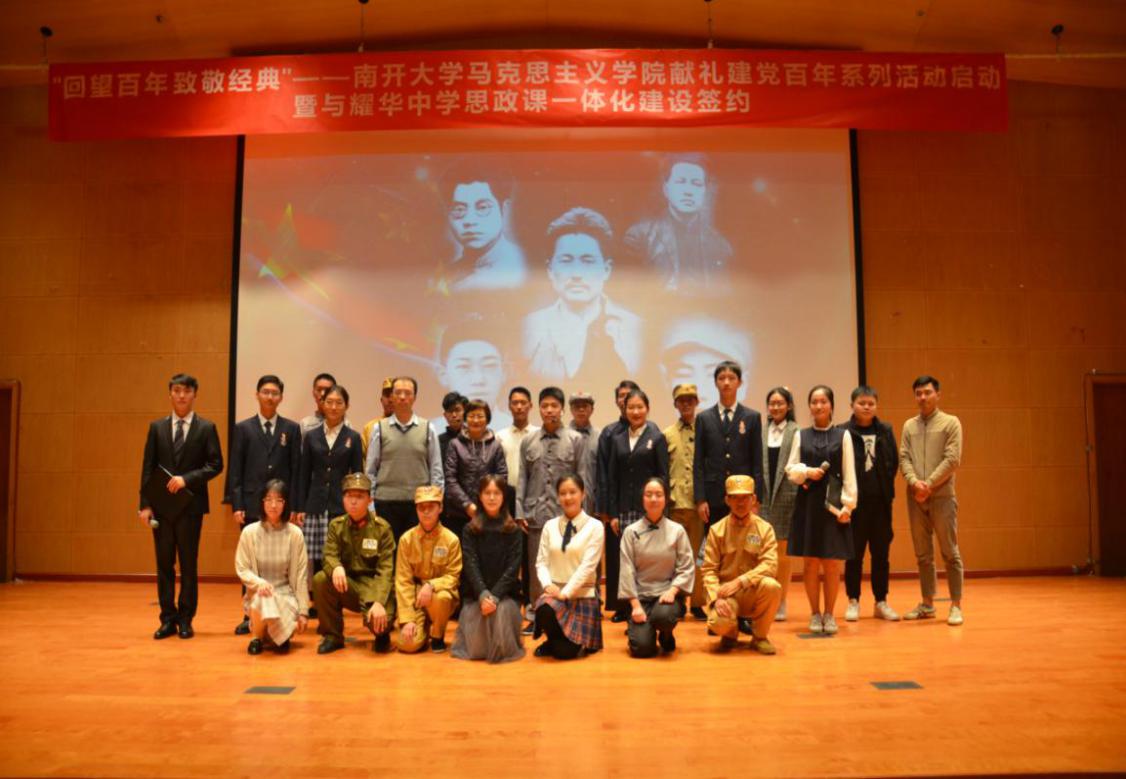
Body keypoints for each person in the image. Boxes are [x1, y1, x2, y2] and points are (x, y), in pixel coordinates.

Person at [139, 373, 224, 640]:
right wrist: (145, 505)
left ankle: (186, 619)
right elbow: (147, 468)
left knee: (188, 564)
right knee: (164, 564)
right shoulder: (156, 428)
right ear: (170, 394)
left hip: (190, 507)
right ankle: (167, 619)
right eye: (177, 390)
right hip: (162, 508)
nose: (181, 395)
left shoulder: (206, 428)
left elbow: (216, 465)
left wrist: (186, 479)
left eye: (186, 391)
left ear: (194, 394)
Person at [522, 207, 642, 383]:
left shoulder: (636, 328)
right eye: (566, 261)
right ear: (550, 270)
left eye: (588, 261)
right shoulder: (529, 328)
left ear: (606, 270)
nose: (577, 274)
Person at [226, 374, 302, 634]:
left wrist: (294, 506)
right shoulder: (243, 428)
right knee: (252, 562)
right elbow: (235, 469)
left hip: (281, 506)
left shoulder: (291, 429)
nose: (270, 397)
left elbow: (296, 470)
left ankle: (284, 609)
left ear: (281, 397)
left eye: (275, 393)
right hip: (251, 504)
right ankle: (249, 615)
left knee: (282, 562)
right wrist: (237, 504)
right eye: (265, 392)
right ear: (257, 395)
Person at [784, 385, 858, 635]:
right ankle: (814, 613)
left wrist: (848, 506)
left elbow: (849, 472)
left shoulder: (843, 435)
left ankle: (830, 614)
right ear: (809, 406)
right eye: (814, 402)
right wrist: (807, 472)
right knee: (810, 564)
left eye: (823, 401)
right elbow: (790, 469)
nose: (818, 406)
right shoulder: (801, 435)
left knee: (832, 565)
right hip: (808, 506)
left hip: (833, 507)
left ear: (831, 405)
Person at [517, 387, 590, 630]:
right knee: (537, 567)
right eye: (545, 406)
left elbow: (583, 478)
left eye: (554, 406)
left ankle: (568, 613)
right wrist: (519, 512)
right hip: (536, 514)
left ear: (562, 409)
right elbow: (522, 478)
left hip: (566, 515)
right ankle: (537, 615)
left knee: (567, 564)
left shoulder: (575, 440)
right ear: (539, 409)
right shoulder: (528, 440)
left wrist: (583, 516)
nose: (549, 410)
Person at [900, 375, 965, 626]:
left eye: (927, 392)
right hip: (915, 496)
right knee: (923, 555)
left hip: (942, 496)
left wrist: (928, 484)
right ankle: (927, 604)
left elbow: (953, 459)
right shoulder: (909, 426)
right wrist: (914, 482)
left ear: (938, 394)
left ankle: (956, 605)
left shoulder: (951, 423)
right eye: (918, 393)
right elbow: (904, 458)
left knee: (950, 552)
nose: (923, 397)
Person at [605, 388, 670, 622]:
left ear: (647, 409)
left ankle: (648, 605)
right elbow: (612, 478)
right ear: (624, 409)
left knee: (646, 559)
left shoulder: (657, 437)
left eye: (639, 407)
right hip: (624, 509)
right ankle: (625, 607)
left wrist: (662, 510)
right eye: (631, 407)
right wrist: (613, 513)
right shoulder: (617, 439)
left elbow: (663, 475)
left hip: (649, 508)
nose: (635, 411)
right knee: (625, 560)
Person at [623, 154, 733, 291]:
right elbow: (633, 292)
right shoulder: (640, 237)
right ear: (666, 189)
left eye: (696, 184)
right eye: (680, 182)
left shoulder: (720, 246)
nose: (688, 191)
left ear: (704, 191)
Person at [313, 473, 396, 654]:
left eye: (359, 496)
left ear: (369, 500)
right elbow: (329, 554)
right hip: (348, 587)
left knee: (380, 625)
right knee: (321, 579)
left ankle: (382, 635)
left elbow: (386, 570)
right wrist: (336, 567)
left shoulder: (382, 528)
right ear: (343, 499)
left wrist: (379, 601)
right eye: (349, 496)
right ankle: (333, 636)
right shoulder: (336, 526)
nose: (353, 501)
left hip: (374, 587)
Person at [701, 475, 782, 654]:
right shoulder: (716, 530)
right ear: (727, 500)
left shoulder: (765, 529)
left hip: (752, 591)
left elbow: (770, 565)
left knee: (772, 586)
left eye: (745, 497)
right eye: (735, 497)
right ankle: (730, 634)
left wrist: (741, 581)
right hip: (726, 595)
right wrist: (716, 598)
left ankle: (760, 637)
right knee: (717, 622)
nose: (740, 502)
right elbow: (709, 570)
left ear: (753, 499)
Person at [294, 384, 364, 583]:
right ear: (322, 404)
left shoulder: (353, 437)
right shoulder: (311, 436)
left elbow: (357, 476)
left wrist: (358, 507)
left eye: (339, 403)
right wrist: (301, 507)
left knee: (341, 556)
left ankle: (338, 597)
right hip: (315, 504)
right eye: (330, 402)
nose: (334, 407)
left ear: (347, 406)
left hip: (341, 506)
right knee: (317, 559)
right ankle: (319, 595)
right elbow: (303, 474)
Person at [841, 385, 900, 623]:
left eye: (871, 404)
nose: (866, 407)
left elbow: (893, 462)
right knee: (853, 555)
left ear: (876, 406)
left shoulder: (885, 430)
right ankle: (853, 600)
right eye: (862, 403)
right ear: (852, 405)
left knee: (881, 555)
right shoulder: (843, 431)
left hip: (881, 505)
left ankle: (881, 601)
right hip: (855, 505)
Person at [452, 475, 526, 663]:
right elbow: (471, 564)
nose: (492, 497)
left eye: (497, 493)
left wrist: (494, 597)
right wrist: (483, 594)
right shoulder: (469, 530)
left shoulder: (514, 530)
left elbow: (513, 568)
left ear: (504, 496)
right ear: (480, 496)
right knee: (477, 650)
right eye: (487, 493)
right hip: (477, 594)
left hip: (505, 595)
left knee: (501, 623)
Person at [619, 477, 695, 657]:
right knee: (642, 650)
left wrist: (673, 591)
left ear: (666, 499)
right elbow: (626, 570)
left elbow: (686, 567)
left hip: (666, 596)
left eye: (659, 495)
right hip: (641, 597)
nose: (653, 499)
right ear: (642, 499)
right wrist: (635, 606)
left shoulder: (677, 530)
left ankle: (666, 634)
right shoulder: (631, 532)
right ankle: (646, 631)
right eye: (649, 494)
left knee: (663, 617)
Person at [533, 474, 605, 659]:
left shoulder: (595, 527)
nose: (568, 497)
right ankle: (554, 640)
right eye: (563, 493)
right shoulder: (549, 526)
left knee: (564, 653)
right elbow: (541, 562)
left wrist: (565, 593)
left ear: (583, 494)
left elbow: (588, 566)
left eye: (573, 492)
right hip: (555, 596)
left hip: (582, 597)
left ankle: (562, 643)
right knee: (544, 608)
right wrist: (548, 585)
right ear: (558, 497)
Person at [364, 376, 444, 543]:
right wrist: (370, 505)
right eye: (398, 392)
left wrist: (436, 501)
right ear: (391, 397)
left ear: (414, 397)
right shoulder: (379, 428)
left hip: (419, 504)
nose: (402, 397)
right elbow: (371, 470)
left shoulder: (428, 428)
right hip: (385, 503)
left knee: (417, 553)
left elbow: (436, 469)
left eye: (407, 393)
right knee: (388, 553)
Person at [234, 480, 309, 655]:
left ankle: (271, 635)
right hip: (259, 594)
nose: (273, 505)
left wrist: (303, 612)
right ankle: (258, 637)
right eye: (268, 499)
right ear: (262, 502)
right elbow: (242, 568)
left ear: (285, 503)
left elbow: (301, 576)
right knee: (264, 596)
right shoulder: (249, 532)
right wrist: (260, 583)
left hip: (286, 595)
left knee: (275, 610)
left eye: (279, 500)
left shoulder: (295, 534)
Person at [694, 360, 765, 525]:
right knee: (715, 539)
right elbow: (698, 463)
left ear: (739, 382)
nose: (726, 382)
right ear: (715, 382)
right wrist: (700, 499)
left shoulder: (752, 417)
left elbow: (757, 462)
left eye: (731, 378)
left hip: (743, 495)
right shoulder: (704, 418)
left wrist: (756, 499)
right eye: (721, 378)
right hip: (713, 496)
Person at [438, 161, 527, 292]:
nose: (470, 220)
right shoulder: (445, 276)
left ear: (504, 208)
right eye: (459, 209)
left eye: (483, 207)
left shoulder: (524, 267)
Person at [395, 486, 463, 653]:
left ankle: (437, 635)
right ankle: (421, 626)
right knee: (408, 645)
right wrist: (408, 619)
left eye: (431, 507)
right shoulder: (406, 540)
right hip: (415, 597)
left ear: (440, 508)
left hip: (438, 595)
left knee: (444, 597)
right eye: (421, 507)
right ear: (416, 509)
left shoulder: (451, 540)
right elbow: (403, 581)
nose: (426, 512)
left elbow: (453, 576)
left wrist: (431, 585)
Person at [663, 383, 707, 618]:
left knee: (699, 556)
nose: (686, 404)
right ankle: (678, 600)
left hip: (699, 505)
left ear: (697, 402)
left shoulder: (706, 431)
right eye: (682, 400)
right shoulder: (667, 434)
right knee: (676, 557)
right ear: (675, 404)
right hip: (675, 504)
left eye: (690, 399)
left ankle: (698, 602)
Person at [759, 386, 800, 622]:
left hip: (786, 498)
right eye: (772, 403)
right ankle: (766, 598)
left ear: (789, 406)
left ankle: (781, 600)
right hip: (764, 498)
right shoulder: (762, 431)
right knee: (764, 552)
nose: (775, 407)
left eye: (780, 403)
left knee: (783, 555)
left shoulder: (796, 431)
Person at [434, 313, 513, 432]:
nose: (478, 380)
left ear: (504, 373)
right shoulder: (434, 432)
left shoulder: (513, 431)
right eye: (464, 367)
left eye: (489, 366)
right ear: (443, 375)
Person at [444, 399, 507, 546]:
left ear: (488, 419)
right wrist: (467, 505)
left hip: (489, 512)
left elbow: (502, 477)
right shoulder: (455, 444)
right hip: (459, 513)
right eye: (471, 416)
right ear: (465, 418)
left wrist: (488, 504)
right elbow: (450, 479)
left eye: (480, 416)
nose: (476, 420)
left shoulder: (496, 446)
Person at [659, 316, 751, 412]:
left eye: (711, 374)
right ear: (666, 379)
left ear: (743, 382)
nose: (700, 394)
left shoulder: (750, 416)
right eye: (684, 373)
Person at [567, 390, 600, 516]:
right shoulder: (563, 436)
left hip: (593, 501)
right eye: (577, 406)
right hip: (567, 500)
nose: (581, 410)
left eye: (585, 406)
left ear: (592, 410)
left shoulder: (600, 436)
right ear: (571, 410)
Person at [300, 373, 350, 439]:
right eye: (319, 390)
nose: (323, 393)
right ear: (313, 393)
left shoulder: (346, 424)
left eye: (327, 390)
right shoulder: (305, 424)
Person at [360, 377, 394, 459]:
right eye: (387, 396)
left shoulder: (409, 427)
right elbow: (362, 459)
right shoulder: (370, 427)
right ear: (381, 400)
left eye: (393, 395)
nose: (390, 400)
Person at [437, 391, 468, 464]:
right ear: (445, 415)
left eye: (457, 410)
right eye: (450, 411)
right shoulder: (438, 441)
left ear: (465, 412)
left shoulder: (473, 437)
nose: (454, 415)